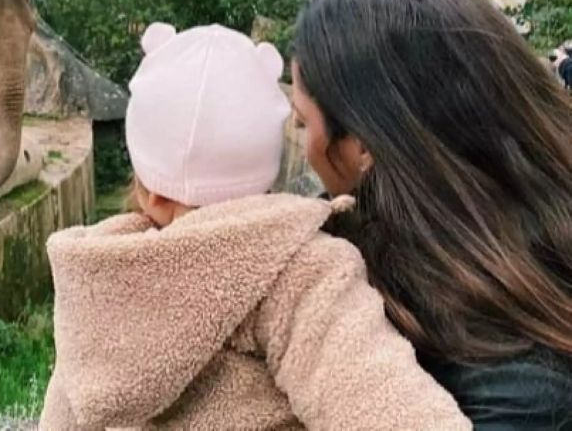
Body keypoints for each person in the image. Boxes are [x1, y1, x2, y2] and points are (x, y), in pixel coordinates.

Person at [39, 23, 471, 430]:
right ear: (267, 172)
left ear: (149, 189)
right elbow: (385, 406)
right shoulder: (299, 271)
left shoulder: (100, 280)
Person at [290, 0, 572, 429]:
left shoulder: (504, 385)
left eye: (303, 123)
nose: (304, 145)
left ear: (361, 146)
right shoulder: (526, 275)